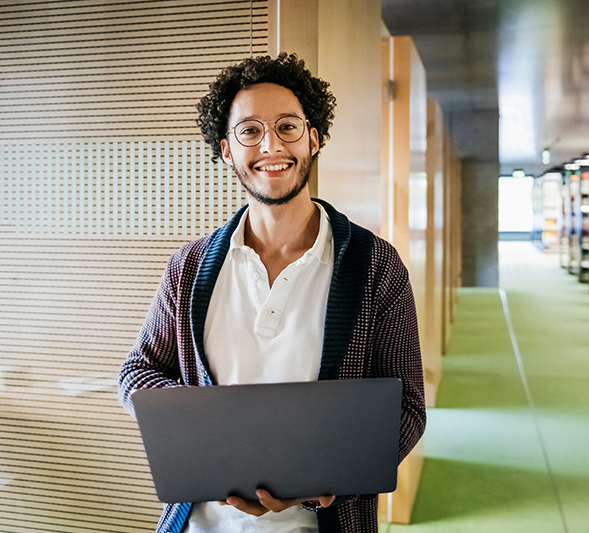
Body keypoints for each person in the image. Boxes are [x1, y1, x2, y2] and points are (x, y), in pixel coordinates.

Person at [118, 52, 426, 533]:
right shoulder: (189, 267)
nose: (271, 145)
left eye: (287, 127)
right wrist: (205, 439)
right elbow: (138, 372)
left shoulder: (376, 266)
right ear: (226, 150)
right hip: (199, 523)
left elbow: (406, 408)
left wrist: (327, 479)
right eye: (250, 131)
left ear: (314, 138)